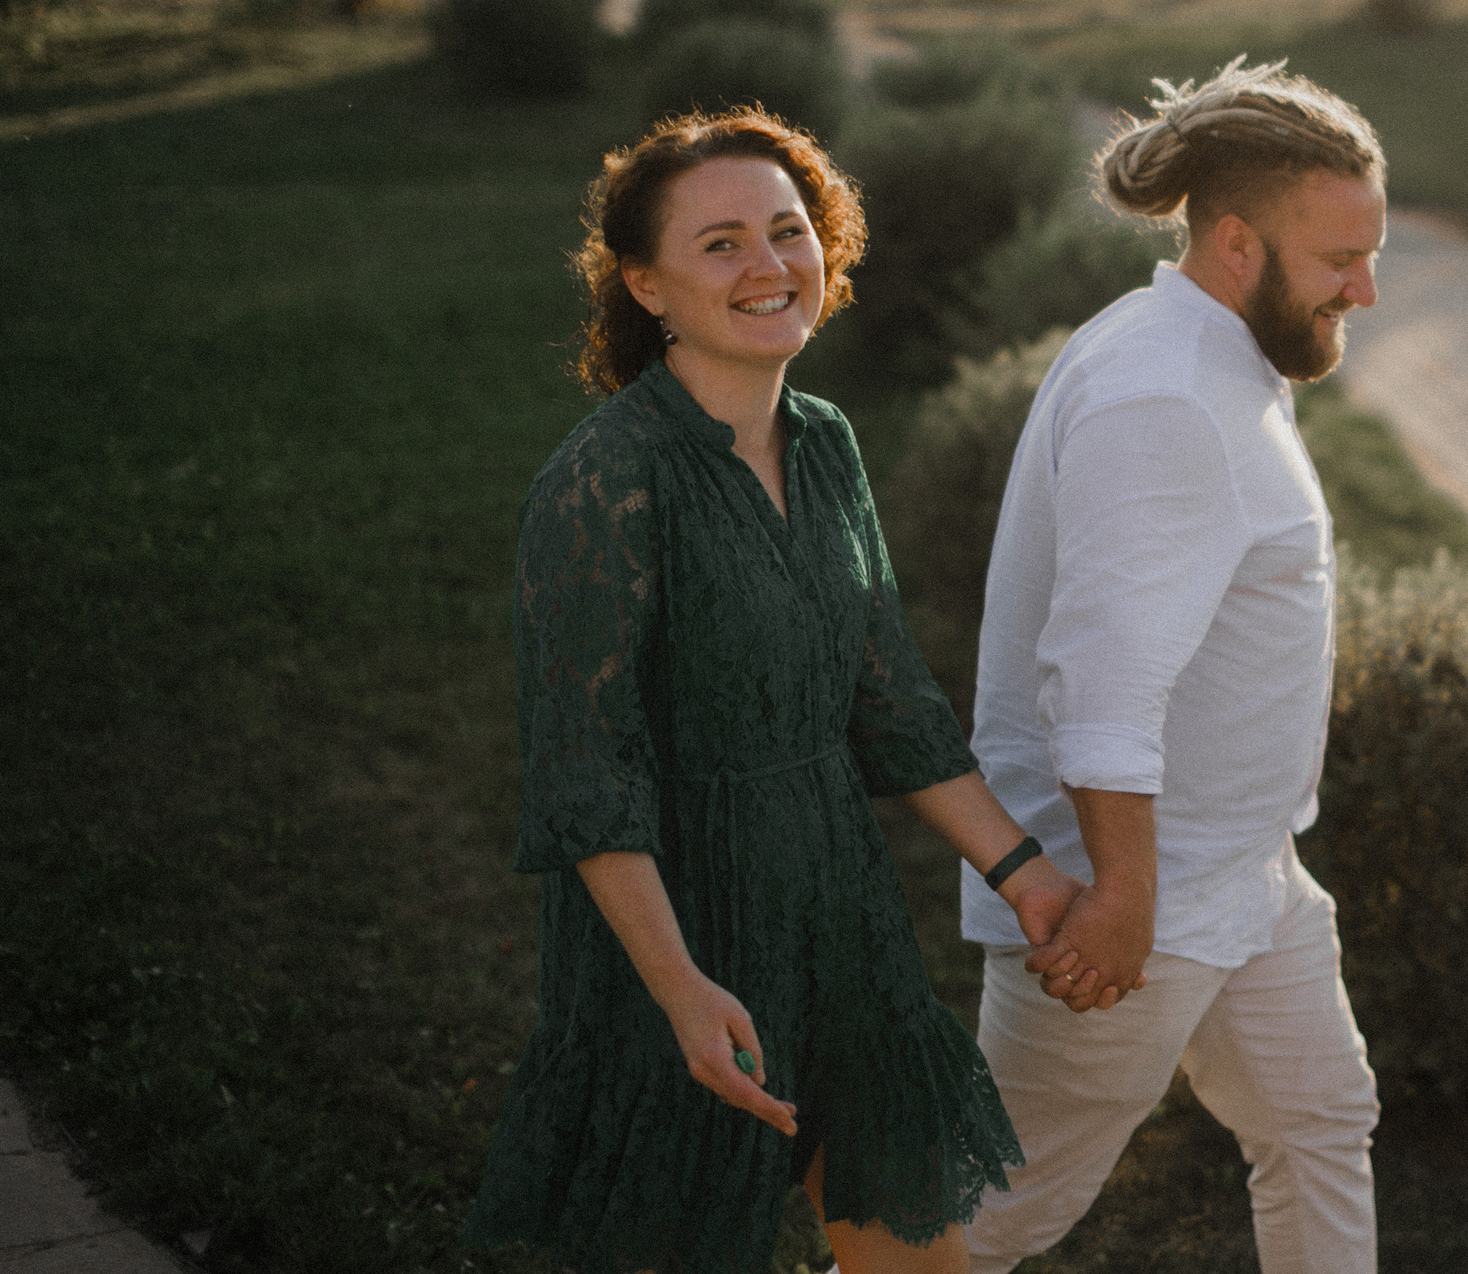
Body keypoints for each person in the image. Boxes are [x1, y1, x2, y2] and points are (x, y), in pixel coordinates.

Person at [467, 110, 1094, 1274]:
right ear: (645, 286)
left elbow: (887, 698)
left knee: (917, 1258)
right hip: (680, 930)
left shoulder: (824, 442)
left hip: (837, 907)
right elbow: (585, 777)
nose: (769, 266)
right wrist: (680, 991)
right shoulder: (603, 483)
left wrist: (1028, 878)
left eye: (788, 229)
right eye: (720, 245)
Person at [959, 58, 1387, 1274]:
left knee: (1318, 1123)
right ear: (1239, 244)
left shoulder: (1214, 353)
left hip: (1245, 875)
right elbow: (1100, 681)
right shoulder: (1166, 394)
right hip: (1138, 894)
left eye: (1371, 252)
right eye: (1338, 261)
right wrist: (1123, 898)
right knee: (989, 1217)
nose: (1364, 288)